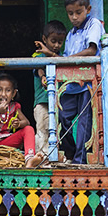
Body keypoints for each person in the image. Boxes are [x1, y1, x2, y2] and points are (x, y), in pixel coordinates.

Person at [35, 0, 103, 164]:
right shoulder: (71, 34)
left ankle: (80, 160)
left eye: (78, 12)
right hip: (71, 86)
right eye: (70, 13)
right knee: (62, 117)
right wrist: (55, 57)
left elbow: (91, 50)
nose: (74, 17)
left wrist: (60, 58)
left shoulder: (93, 24)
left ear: (88, 9)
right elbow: (64, 60)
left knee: (84, 123)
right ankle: (71, 153)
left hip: (87, 84)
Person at [0, 73, 44, 169]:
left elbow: (26, 122)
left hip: (7, 140)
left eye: (8, 90)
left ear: (14, 93)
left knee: (28, 129)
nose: (3, 94)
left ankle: (29, 159)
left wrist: (18, 124)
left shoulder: (14, 107)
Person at [32, 20, 67, 156]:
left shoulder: (60, 57)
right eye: (53, 41)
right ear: (44, 39)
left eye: (60, 42)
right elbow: (39, 67)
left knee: (56, 130)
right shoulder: (38, 55)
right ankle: (42, 156)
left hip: (57, 103)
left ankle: (53, 156)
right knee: (42, 128)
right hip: (42, 101)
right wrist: (42, 77)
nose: (56, 45)